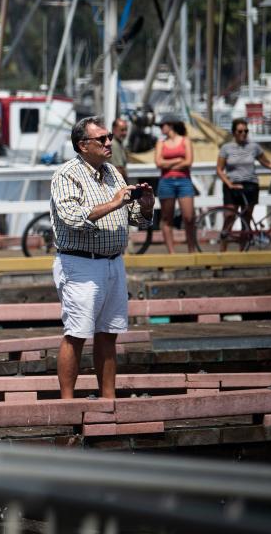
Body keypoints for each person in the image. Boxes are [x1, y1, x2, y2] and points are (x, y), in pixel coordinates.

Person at [50, 117, 154, 400]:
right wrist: (114, 202)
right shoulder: (66, 175)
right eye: (103, 139)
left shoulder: (112, 173)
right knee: (77, 333)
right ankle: (67, 404)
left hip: (112, 262)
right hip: (80, 263)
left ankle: (108, 400)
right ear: (83, 145)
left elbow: (134, 219)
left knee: (109, 333)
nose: (110, 143)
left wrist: (145, 208)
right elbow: (72, 218)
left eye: (109, 137)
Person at [216, 117, 271, 251]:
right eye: (240, 131)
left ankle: (243, 252)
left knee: (246, 220)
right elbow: (219, 169)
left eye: (246, 131)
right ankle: (222, 253)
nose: (243, 134)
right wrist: (229, 184)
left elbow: (267, 163)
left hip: (250, 185)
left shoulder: (254, 147)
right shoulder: (226, 148)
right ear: (234, 132)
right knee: (229, 217)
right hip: (232, 185)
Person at [154, 114, 196, 253]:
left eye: (162, 125)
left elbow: (188, 162)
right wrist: (178, 160)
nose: (160, 128)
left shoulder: (185, 140)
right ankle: (172, 253)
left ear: (170, 125)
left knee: (189, 217)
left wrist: (168, 165)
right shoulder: (161, 143)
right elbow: (158, 163)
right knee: (167, 218)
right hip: (166, 182)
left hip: (184, 181)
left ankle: (191, 250)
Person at [110, 117, 129, 182]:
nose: (125, 133)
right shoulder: (114, 144)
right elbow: (119, 169)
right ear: (114, 130)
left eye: (126, 130)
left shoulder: (119, 143)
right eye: (122, 130)